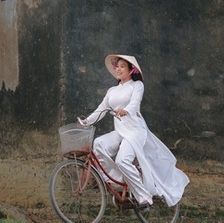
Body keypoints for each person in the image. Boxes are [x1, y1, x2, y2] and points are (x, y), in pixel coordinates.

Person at [78, 54, 189, 209]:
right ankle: (116, 179)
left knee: (122, 160)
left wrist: (126, 111)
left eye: (123, 66)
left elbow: (135, 103)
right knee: (98, 144)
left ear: (131, 70)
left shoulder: (137, 85)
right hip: (120, 131)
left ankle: (144, 197)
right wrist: (86, 121)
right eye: (117, 66)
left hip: (135, 131)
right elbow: (101, 109)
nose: (118, 69)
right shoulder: (112, 91)